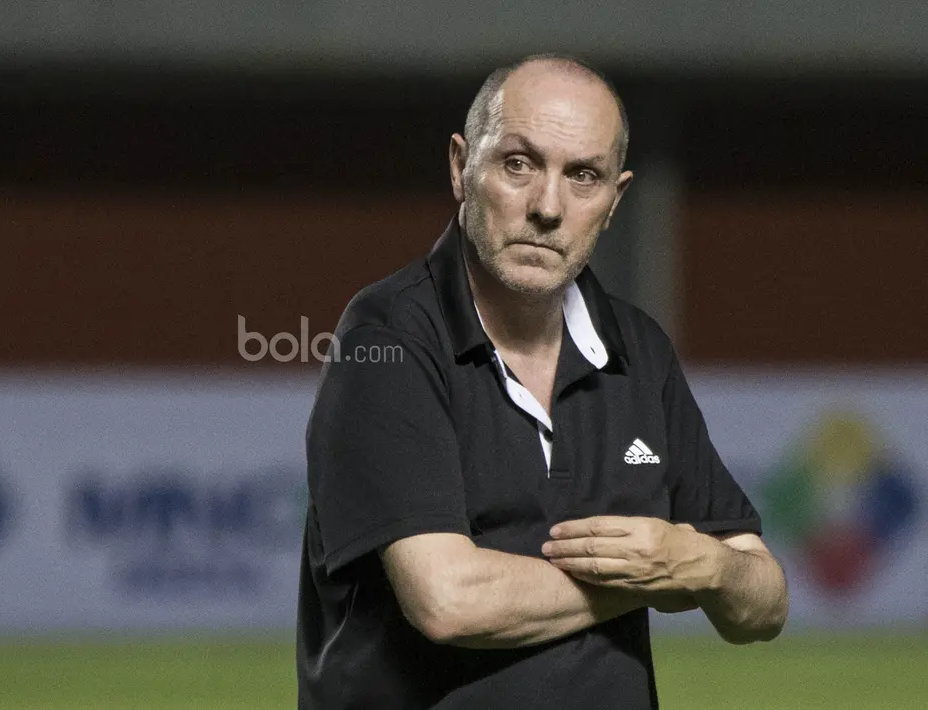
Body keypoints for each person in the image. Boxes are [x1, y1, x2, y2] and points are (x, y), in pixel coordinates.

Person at [296, 54, 788, 709]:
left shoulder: (638, 348)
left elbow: (762, 602)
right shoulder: (386, 338)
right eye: (518, 164)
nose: (547, 207)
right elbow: (448, 601)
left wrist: (705, 565)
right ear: (459, 167)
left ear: (613, 202)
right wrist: (651, 578)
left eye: (582, 176)